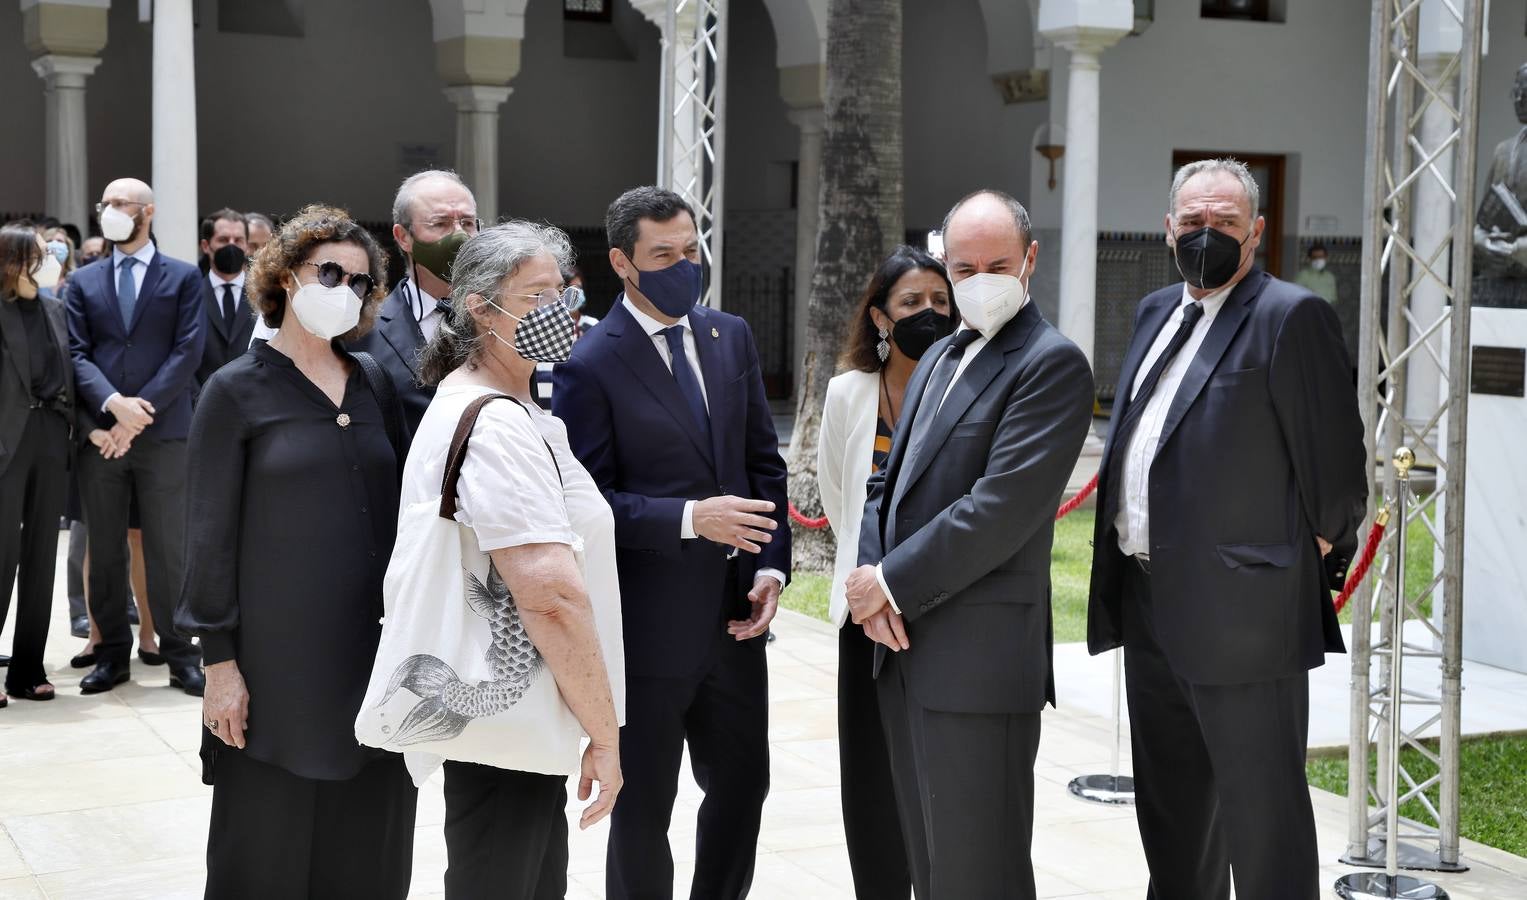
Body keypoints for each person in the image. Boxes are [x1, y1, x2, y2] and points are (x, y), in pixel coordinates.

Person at [1086, 158, 1367, 900]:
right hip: (1149, 602)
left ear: (1257, 233)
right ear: (1167, 225)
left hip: (1244, 615)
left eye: (1224, 223)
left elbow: (1337, 476)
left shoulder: (1288, 315)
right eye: (1192, 222)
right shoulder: (1154, 311)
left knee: (1260, 819)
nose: (1204, 235)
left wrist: (1296, 556)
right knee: (1172, 815)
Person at [844, 189, 1095, 900]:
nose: (978, 278)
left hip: (979, 666)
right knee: (928, 866)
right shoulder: (939, 357)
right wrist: (870, 579)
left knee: (978, 871)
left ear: (1030, 260)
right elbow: (883, 483)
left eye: (996, 263)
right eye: (962, 266)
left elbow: (1000, 507)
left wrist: (886, 582)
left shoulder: (1049, 364)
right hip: (901, 652)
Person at [553, 186, 790, 900]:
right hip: (646, 635)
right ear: (623, 263)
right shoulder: (589, 363)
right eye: (664, 254)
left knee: (744, 788)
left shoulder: (730, 335)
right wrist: (690, 518)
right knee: (642, 810)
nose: (684, 265)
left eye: (691, 250)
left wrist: (770, 567)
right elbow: (585, 506)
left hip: (735, 623)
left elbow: (763, 466)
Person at [174, 205, 417, 898]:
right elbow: (206, 535)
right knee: (266, 858)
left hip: (372, 659)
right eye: (330, 272)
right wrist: (219, 664)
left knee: (368, 854)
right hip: (275, 671)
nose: (347, 289)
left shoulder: (372, 380)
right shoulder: (234, 391)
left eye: (363, 282)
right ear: (283, 276)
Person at [407, 221, 625, 899]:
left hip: (524, 708)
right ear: (479, 305)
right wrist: (603, 731)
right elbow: (549, 595)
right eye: (535, 296)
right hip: (512, 706)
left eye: (560, 292)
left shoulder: (514, 406)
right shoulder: (496, 421)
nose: (556, 311)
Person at [816, 245, 953, 899]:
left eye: (938, 301)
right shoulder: (849, 393)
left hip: (945, 608)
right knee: (869, 778)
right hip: (864, 612)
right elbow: (837, 495)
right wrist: (873, 581)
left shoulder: (966, 387)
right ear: (878, 317)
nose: (926, 313)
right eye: (910, 303)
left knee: (939, 777)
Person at [65, 177, 205, 696]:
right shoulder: (84, 280)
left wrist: (136, 412)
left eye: (120, 203)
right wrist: (113, 408)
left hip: (163, 431)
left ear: (146, 212)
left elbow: (188, 349)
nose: (109, 210)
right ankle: (111, 655)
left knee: (168, 550)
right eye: (104, 203)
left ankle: (177, 652)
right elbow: (76, 353)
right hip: (102, 436)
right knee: (103, 549)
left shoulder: (184, 277)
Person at [0, 223, 76, 705]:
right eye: (39, 255)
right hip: (7, 442)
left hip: (50, 436)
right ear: (13, 262)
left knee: (42, 555)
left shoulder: (55, 308)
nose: (49, 261)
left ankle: (27, 668)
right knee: (2, 554)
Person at [351, 169, 479, 440]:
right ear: (403, 237)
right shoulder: (362, 329)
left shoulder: (502, 319)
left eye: (467, 223)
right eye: (440, 223)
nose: (458, 236)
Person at [196, 208, 257, 385]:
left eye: (238, 240)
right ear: (206, 246)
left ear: (247, 246)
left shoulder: (267, 297)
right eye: (223, 240)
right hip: (200, 404)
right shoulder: (190, 296)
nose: (232, 245)